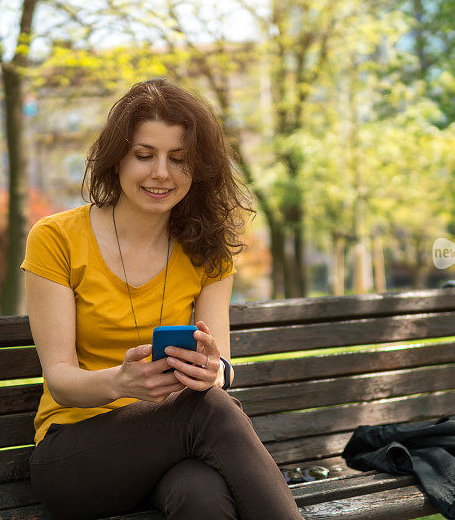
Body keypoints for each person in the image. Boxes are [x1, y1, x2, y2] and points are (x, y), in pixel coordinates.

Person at [20, 78, 305, 520]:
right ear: (117, 160)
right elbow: (59, 378)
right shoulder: (57, 239)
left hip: (172, 450)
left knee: (202, 494)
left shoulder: (207, 248)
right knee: (208, 410)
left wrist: (213, 369)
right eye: (144, 155)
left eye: (179, 159)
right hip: (75, 456)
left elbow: (222, 371)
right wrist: (121, 382)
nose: (161, 173)